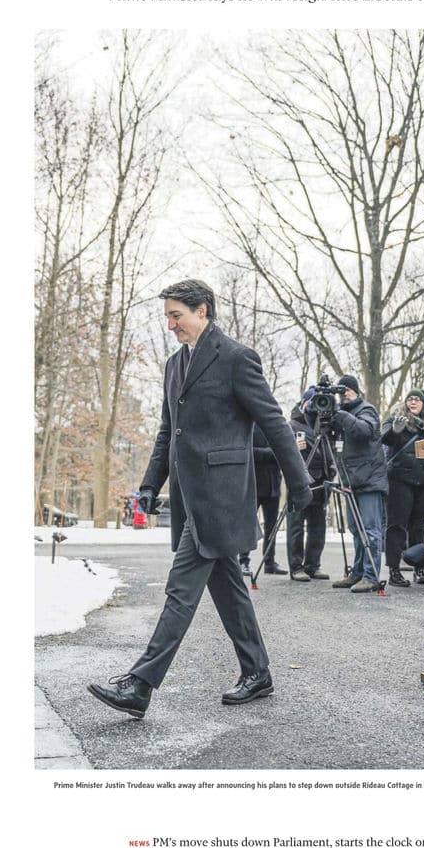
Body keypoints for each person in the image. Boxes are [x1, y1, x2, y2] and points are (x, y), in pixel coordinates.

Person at [86, 279, 312, 717]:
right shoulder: (175, 364)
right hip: (190, 497)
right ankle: (258, 672)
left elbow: (274, 422)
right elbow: (167, 432)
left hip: (223, 497)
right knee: (228, 589)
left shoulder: (237, 358)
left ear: (202, 311)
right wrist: (150, 484)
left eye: (177, 316)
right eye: (168, 317)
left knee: (181, 588)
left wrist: (298, 482)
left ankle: (140, 685)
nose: (171, 325)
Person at [330, 375, 388, 593]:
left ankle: (370, 576)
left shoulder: (367, 410)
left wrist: (340, 414)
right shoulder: (340, 413)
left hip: (369, 480)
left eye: (347, 390)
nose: (344, 394)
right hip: (351, 480)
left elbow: (364, 431)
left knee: (370, 530)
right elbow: (319, 431)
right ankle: (357, 573)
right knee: (356, 530)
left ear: (355, 390)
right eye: (340, 391)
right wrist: (314, 411)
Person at [381, 389, 424, 587]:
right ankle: (394, 569)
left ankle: (418, 567)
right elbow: (383, 439)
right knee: (396, 525)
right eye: (410, 399)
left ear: (423, 403)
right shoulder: (396, 419)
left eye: (417, 399)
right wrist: (394, 430)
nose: (413, 402)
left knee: (418, 526)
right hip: (400, 480)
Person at [286, 388, 333, 581]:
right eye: (312, 402)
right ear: (304, 403)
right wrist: (293, 447)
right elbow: (281, 452)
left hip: (322, 480)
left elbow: (331, 450)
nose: (316, 406)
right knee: (296, 526)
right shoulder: (291, 425)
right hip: (300, 480)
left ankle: (313, 565)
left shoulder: (324, 426)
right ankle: (296, 567)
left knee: (318, 526)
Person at [239, 425, 287, 576]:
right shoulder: (250, 428)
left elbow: (284, 452)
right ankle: (243, 561)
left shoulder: (276, 430)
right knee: (248, 525)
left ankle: (269, 562)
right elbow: (248, 451)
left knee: (271, 527)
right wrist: (272, 453)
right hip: (254, 484)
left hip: (273, 485)